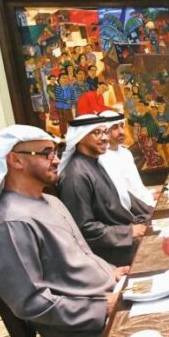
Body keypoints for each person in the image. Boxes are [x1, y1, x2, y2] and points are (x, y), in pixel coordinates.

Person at [0, 125, 126, 337]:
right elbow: (30, 302)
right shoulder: (12, 223)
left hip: (106, 294)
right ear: (16, 160)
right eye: (46, 153)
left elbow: (80, 256)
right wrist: (103, 307)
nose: (56, 160)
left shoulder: (50, 200)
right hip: (82, 327)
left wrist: (112, 272)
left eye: (55, 152)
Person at [58, 114, 150, 266]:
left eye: (106, 132)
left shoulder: (95, 163)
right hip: (109, 251)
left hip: (122, 237)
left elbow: (121, 200)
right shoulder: (75, 175)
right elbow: (84, 228)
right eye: (97, 133)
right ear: (80, 137)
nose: (105, 138)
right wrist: (129, 232)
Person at [98, 111, 158, 208]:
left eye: (122, 126)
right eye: (115, 127)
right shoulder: (101, 159)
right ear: (104, 131)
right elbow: (120, 196)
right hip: (129, 211)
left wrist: (149, 194)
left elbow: (134, 186)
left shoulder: (126, 153)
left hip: (143, 203)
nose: (121, 131)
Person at [53, 73, 75, 137]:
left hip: (68, 107)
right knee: (62, 120)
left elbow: (72, 96)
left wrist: (72, 102)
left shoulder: (70, 88)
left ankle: (72, 131)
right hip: (61, 107)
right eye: (63, 78)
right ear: (59, 80)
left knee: (70, 119)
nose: (65, 79)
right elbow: (57, 98)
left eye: (67, 78)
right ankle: (63, 133)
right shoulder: (58, 88)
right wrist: (65, 101)